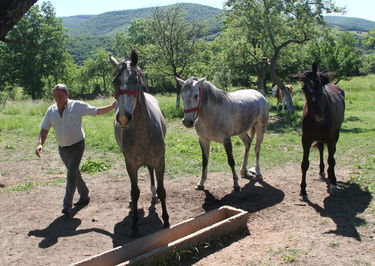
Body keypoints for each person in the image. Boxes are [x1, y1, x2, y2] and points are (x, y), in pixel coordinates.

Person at [35, 84, 116, 217]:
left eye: (60, 96)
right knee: (74, 173)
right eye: (55, 96)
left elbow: (96, 111)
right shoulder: (51, 111)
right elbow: (44, 129)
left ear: (68, 94)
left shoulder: (77, 106)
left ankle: (67, 206)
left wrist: (112, 106)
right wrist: (40, 144)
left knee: (71, 174)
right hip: (62, 148)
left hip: (77, 145)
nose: (57, 99)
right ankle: (84, 195)